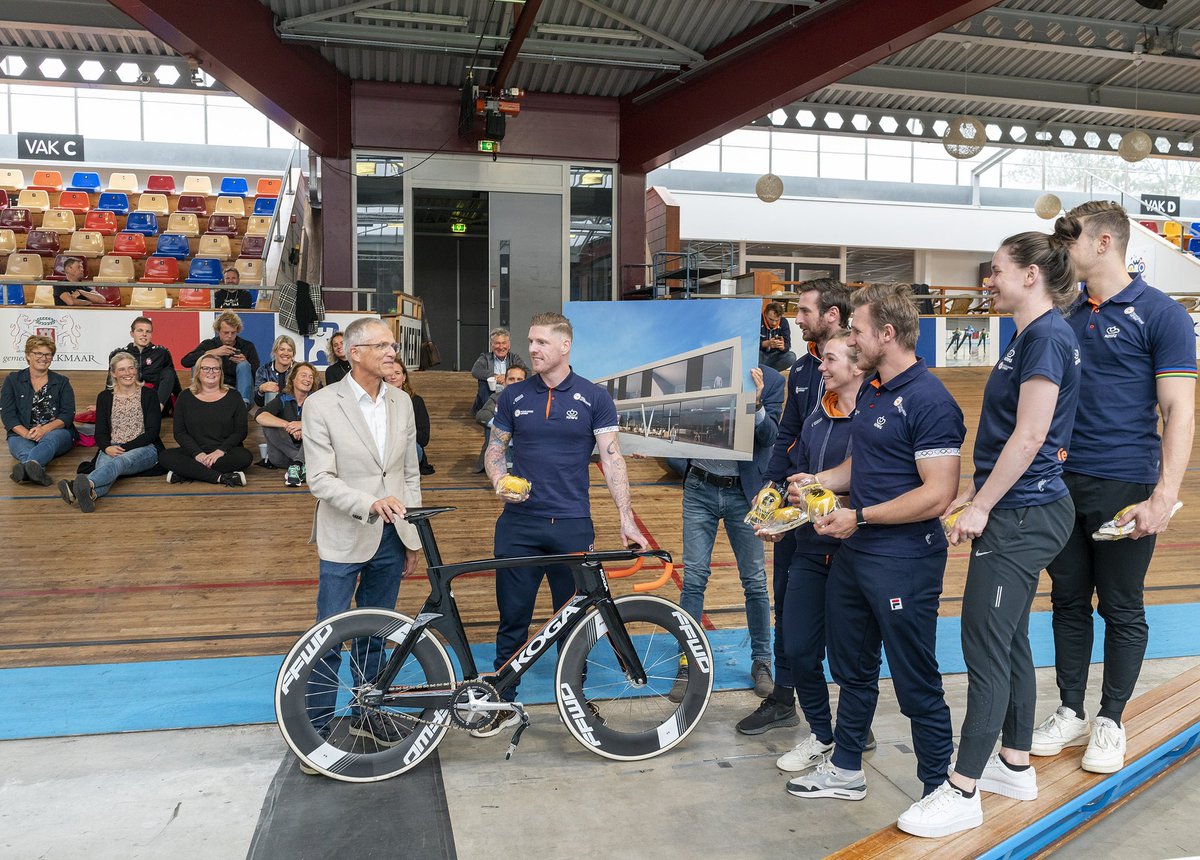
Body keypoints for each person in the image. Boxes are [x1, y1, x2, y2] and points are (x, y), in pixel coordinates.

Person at [897, 225, 1082, 837]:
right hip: (1018, 507)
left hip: (1024, 516)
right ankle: (1015, 763)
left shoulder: (1047, 337)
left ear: (1030, 274)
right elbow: (1009, 438)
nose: (988, 280)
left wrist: (982, 508)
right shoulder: (1029, 336)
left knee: (983, 648)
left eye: (997, 269)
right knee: (1009, 643)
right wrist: (975, 493)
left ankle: (963, 788)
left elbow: (1032, 437)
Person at [1032, 201, 1196, 774]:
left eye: (1070, 240)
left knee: (1122, 606)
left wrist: (1162, 496)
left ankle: (1111, 719)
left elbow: (1179, 413)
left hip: (1126, 484)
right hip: (1061, 484)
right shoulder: (1064, 313)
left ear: (1104, 242)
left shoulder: (1162, 315)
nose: (1061, 251)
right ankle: (1072, 710)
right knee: (1067, 601)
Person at [785, 284, 964, 804]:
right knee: (853, 669)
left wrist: (857, 516)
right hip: (857, 554)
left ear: (887, 334)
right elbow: (861, 466)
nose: (851, 340)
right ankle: (845, 770)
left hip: (904, 560)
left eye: (858, 331)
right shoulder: (873, 392)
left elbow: (938, 494)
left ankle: (937, 787)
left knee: (915, 678)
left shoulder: (931, 400)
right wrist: (817, 479)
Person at [478, 311, 647, 735]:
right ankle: (502, 701)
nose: (531, 349)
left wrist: (626, 519)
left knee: (574, 623)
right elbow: (495, 449)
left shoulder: (594, 397)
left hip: (572, 526)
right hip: (519, 526)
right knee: (512, 618)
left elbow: (611, 458)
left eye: (540, 343)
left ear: (564, 346)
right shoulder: (514, 397)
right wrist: (499, 479)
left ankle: (577, 703)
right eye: (530, 342)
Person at [300, 317, 422, 761]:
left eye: (392, 345)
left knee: (375, 635)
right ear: (353, 353)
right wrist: (369, 504)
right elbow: (320, 479)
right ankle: (313, 733)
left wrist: (412, 537)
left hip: (391, 536)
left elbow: (408, 473)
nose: (392, 352)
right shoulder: (320, 404)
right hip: (344, 536)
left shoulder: (403, 402)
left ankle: (368, 716)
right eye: (382, 346)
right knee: (329, 637)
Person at [738, 278, 852, 736]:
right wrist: (769, 495)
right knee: (787, 604)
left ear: (832, 315)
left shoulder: (859, 374)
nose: (796, 319)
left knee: (844, 615)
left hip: (839, 512)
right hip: (794, 507)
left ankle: (853, 717)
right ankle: (784, 697)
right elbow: (786, 436)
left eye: (805, 311)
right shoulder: (802, 371)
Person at [748, 332, 865, 777]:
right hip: (812, 548)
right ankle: (822, 733)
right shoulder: (817, 416)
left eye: (829, 360)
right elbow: (807, 489)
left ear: (856, 366)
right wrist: (783, 517)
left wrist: (827, 492)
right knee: (798, 648)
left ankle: (850, 745)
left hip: (856, 550)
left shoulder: (875, 416)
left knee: (851, 658)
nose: (820, 367)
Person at [669, 364, 783, 701]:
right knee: (693, 579)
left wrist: (758, 404)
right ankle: (687, 662)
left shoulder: (772, 381)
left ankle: (762, 661)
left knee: (755, 580)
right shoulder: (696, 374)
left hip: (743, 494)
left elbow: (770, 436)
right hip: (700, 487)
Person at [59, 351, 163, 512]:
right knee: (108, 474)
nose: (127, 373)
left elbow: (153, 432)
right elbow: (100, 432)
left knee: (118, 463)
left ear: (136, 370)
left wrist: (124, 448)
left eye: (131, 368)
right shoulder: (104, 397)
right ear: (113, 373)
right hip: (111, 447)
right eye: (122, 369)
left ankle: (82, 485)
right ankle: (91, 494)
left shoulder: (149, 395)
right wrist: (107, 447)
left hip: (144, 448)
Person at [158, 354, 252, 486]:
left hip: (225, 452)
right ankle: (221, 477)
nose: (211, 372)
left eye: (215, 369)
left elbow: (240, 432)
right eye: (206, 368)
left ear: (221, 372)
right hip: (194, 452)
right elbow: (179, 432)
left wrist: (220, 451)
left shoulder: (234, 396)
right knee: (165, 456)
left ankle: (186, 472)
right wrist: (198, 454)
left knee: (245, 457)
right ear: (198, 371)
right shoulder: (185, 396)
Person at [2, 335, 77, 486]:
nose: (43, 358)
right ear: (28, 356)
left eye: (48, 354)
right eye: (38, 353)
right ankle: (35, 469)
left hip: (56, 432)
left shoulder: (62, 382)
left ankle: (26, 467)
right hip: (21, 434)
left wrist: (45, 429)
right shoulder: (12, 380)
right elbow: (8, 415)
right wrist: (26, 434)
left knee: (50, 439)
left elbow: (68, 414)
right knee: (22, 447)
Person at [255, 361, 321, 487]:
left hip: (308, 451)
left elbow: (325, 423)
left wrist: (302, 425)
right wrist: (289, 425)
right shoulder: (283, 398)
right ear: (293, 379)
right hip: (284, 456)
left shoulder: (316, 400)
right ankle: (301, 464)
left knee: (316, 427)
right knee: (269, 425)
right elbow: (260, 415)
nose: (308, 379)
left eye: (311, 377)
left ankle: (296, 466)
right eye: (303, 375)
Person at [181, 311, 260, 406]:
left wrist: (247, 364)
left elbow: (258, 377)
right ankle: (200, 399)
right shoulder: (209, 344)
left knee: (244, 365)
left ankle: (243, 404)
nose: (230, 336)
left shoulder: (247, 346)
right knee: (200, 360)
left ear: (237, 331)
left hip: (239, 392)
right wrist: (212, 352)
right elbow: (185, 361)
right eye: (226, 333)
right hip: (214, 390)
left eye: (233, 332)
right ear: (218, 331)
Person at [111, 316, 178, 415]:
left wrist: (181, 400)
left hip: (156, 399)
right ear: (132, 334)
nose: (144, 334)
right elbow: (111, 380)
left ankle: (155, 412)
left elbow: (172, 378)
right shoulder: (120, 354)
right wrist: (106, 401)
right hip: (131, 396)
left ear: (151, 335)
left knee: (168, 372)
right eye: (140, 331)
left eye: (148, 331)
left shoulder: (161, 352)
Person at [473, 365, 527, 473]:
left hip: (523, 446)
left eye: (519, 379)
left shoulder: (531, 400)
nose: (515, 382)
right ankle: (507, 466)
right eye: (511, 379)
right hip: (502, 446)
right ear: (505, 382)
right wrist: (505, 425)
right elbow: (482, 415)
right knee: (491, 425)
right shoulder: (497, 397)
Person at [385, 360, 434, 476]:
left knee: (413, 448)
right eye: (389, 373)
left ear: (404, 377)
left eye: (397, 373)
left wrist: (402, 431)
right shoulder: (376, 400)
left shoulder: (416, 401)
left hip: (409, 445)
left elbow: (424, 439)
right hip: (385, 447)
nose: (393, 377)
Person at [471, 327, 527, 413]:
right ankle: (489, 413)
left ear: (509, 345)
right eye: (497, 343)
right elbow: (475, 371)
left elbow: (527, 372)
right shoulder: (485, 357)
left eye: (504, 343)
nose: (501, 347)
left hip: (510, 393)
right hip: (490, 395)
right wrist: (495, 377)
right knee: (483, 383)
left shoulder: (514, 358)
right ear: (491, 345)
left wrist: (508, 378)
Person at [254, 335, 297, 408]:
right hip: (272, 411)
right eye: (282, 349)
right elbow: (259, 403)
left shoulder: (299, 369)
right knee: (270, 390)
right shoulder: (263, 370)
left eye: (289, 350)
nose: (286, 353)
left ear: (293, 354)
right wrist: (261, 389)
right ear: (275, 351)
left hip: (294, 410)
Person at [759, 302, 795, 371]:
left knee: (791, 357)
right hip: (760, 354)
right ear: (765, 314)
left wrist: (783, 347)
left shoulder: (784, 322)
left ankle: (770, 373)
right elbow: (749, 343)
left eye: (777, 320)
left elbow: (788, 345)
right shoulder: (758, 320)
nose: (774, 323)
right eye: (771, 319)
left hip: (774, 355)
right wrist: (765, 344)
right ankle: (765, 371)